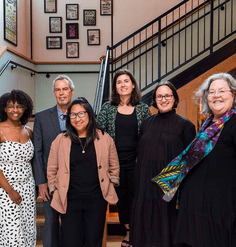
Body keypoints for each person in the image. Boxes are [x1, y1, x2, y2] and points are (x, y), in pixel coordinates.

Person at [153, 73, 236, 247]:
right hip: (194, 208)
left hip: (219, 210)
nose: (216, 96)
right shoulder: (207, 124)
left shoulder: (233, 123)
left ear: (233, 95)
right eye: (212, 92)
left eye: (222, 91)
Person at [130, 81, 196, 247]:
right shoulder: (146, 123)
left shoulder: (185, 125)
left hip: (169, 188)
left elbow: (190, 161)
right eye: (159, 96)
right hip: (145, 185)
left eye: (167, 95)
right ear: (154, 99)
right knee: (145, 229)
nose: (163, 99)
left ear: (174, 99)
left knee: (167, 230)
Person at [47, 97, 120, 247]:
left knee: (93, 241)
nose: (77, 118)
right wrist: (55, 189)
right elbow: (52, 169)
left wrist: (110, 183)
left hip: (97, 199)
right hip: (69, 199)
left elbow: (114, 166)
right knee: (70, 241)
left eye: (81, 114)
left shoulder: (105, 138)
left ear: (90, 115)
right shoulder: (60, 140)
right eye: (73, 115)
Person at [97, 69, 151, 246]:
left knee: (137, 198)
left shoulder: (143, 109)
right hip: (115, 164)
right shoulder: (107, 108)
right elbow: (99, 133)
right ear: (115, 87)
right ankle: (129, 232)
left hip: (137, 162)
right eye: (119, 82)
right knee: (122, 200)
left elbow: (149, 136)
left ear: (133, 85)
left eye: (126, 81)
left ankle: (137, 232)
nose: (123, 85)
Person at [33, 75, 74, 247]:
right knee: (50, 222)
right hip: (50, 181)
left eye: (65, 89)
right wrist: (41, 182)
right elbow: (37, 152)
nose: (61, 93)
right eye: (58, 89)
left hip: (75, 179)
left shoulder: (81, 114)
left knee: (71, 223)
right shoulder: (41, 117)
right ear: (54, 93)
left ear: (71, 92)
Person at [0, 90, 36, 246]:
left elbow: (32, 162)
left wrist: (34, 186)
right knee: (11, 233)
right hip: (6, 190)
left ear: (25, 108)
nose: (15, 110)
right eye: (10, 106)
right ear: (4, 108)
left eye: (19, 106)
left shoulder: (28, 131)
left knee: (27, 231)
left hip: (28, 189)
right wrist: (10, 191)